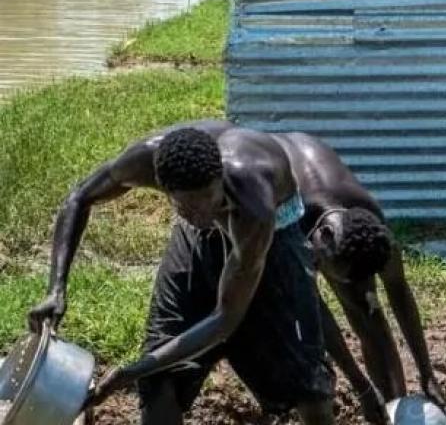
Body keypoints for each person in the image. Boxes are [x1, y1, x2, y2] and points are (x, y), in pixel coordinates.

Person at [27, 121, 335, 424]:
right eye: (186, 207)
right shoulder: (146, 161)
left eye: (208, 201)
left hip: (273, 240)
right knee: (159, 376)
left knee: (307, 381)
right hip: (194, 241)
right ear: (163, 187)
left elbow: (225, 319)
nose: (201, 214)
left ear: (219, 178)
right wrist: (56, 288)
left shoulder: (253, 205)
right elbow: (79, 196)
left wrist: (132, 370)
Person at [278, 129, 446, 424]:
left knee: (366, 309)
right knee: (306, 344)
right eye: (326, 267)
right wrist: (361, 387)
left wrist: (427, 374)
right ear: (320, 239)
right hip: (265, 188)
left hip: (322, 192)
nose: (343, 285)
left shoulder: (370, 227)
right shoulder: (292, 224)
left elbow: (399, 292)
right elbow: (316, 315)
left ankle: (392, 408)